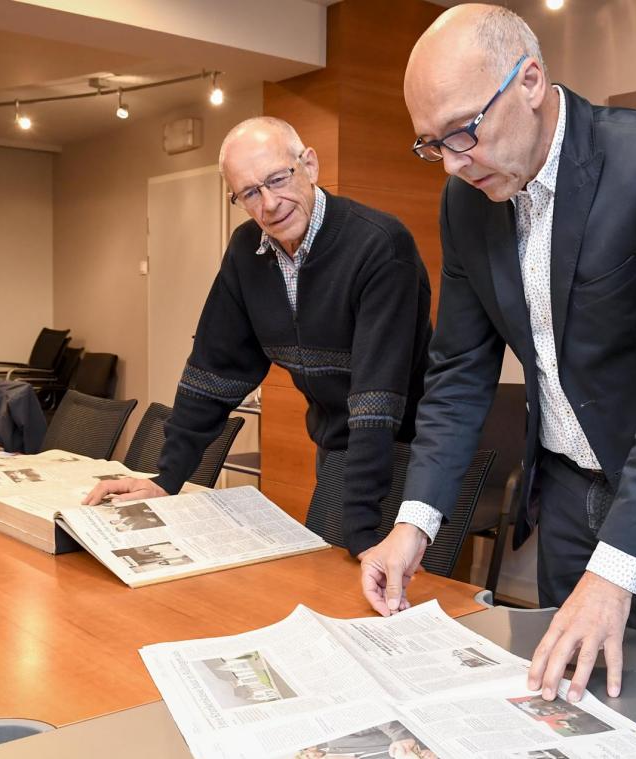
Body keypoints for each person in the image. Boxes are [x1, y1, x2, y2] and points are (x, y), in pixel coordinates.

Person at [360, 4, 636, 705]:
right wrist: (415, 520)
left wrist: (616, 571)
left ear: (529, 81)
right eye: (431, 144)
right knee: (563, 702)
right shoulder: (466, 202)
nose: (451, 162)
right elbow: (458, 373)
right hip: (566, 494)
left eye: (464, 132)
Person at [85, 117, 432, 557]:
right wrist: (166, 479)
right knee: (330, 578)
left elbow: (375, 399)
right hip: (340, 444)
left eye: (277, 179)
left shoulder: (380, 245)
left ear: (309, 165)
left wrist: (361, 533)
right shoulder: (246, 251)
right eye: (250, 192)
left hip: (412, 448)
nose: (269, 203)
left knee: (380, 581)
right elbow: (213, 372)